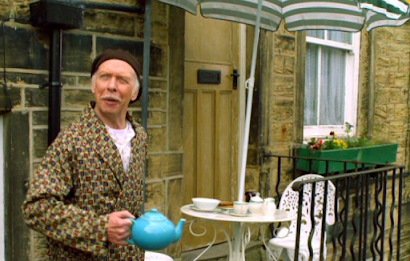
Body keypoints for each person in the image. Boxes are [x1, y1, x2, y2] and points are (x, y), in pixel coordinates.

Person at [22, 49, 148, 260]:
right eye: (104, 77)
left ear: (135, 93)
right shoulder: (72, 139)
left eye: (122, 80)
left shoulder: (140, 137)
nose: (111, 86)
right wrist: (100, 228)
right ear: (93, 86)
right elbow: (36, 208)